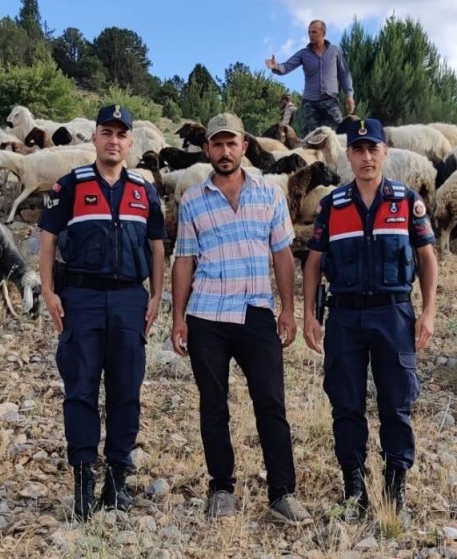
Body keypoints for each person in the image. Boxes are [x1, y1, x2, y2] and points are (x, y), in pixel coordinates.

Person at [170, 112, 312, 526]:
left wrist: (287, 308)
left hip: (255, 312)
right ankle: (221, 488)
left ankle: (282, 493)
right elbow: (184, 259)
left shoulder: (269, 194)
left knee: (271, 402)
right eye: (217, 144)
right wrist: (178, 318)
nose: (225, 150)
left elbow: (282, 253)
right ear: (207, 149)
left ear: (244, 147)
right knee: (213, 405)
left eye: (232, 143)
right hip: (206, 314)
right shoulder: (194, 199)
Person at [300, 117, 438, 522]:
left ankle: (395, 488)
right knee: (346, 405)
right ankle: (354, 488)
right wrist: (308, 314)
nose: (365, 157)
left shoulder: (405, 201)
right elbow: (313, 264)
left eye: (372, 149)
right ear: (348, 155)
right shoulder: (333, 205)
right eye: (357, 150)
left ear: (385, 152)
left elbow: (428, 258)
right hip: (344, 317)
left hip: (393, 314)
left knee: (396, 404)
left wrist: (428, 312)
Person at [38, 104, 166, 521]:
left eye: (120, 135)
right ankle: (82, 481)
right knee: (80, 389)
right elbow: (48, 239)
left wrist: (155, 296)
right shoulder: (70, 186)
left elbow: (157, 247)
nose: (114, 141)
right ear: (93, 138)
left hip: (130, 299)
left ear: (130, 143)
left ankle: (116, 481)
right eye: (106, 133)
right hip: (82, 299)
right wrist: (48, 291)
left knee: (126, 389)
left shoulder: (144, 190)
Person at [266, 20, 355, 135]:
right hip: (310, 103)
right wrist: (275, 66)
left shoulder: (335, 51)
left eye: (314, 32)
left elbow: (344, 74)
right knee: (311, 138)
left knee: (337, 135)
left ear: (323, 33)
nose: (311, 35)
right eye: (309, 32)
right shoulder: (303, 54)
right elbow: (286, 67)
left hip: (330, 100)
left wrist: (349, 95)